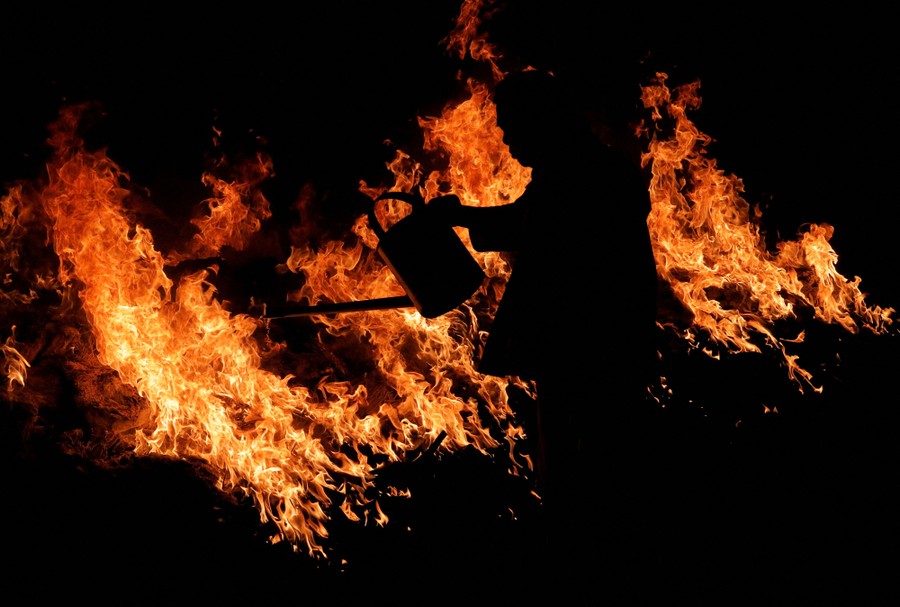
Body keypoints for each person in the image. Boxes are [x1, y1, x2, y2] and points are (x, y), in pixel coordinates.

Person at [427, 68, 661, 568]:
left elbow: (534, 225)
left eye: (513, 127)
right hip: (586, 347)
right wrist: (465, 216)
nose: (509, 140)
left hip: (594, 348)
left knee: (585, 473)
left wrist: (462, 216)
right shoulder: (579, 169)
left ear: (545, 120)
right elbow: (531, 220)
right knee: (576, 469)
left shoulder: (589, 174)